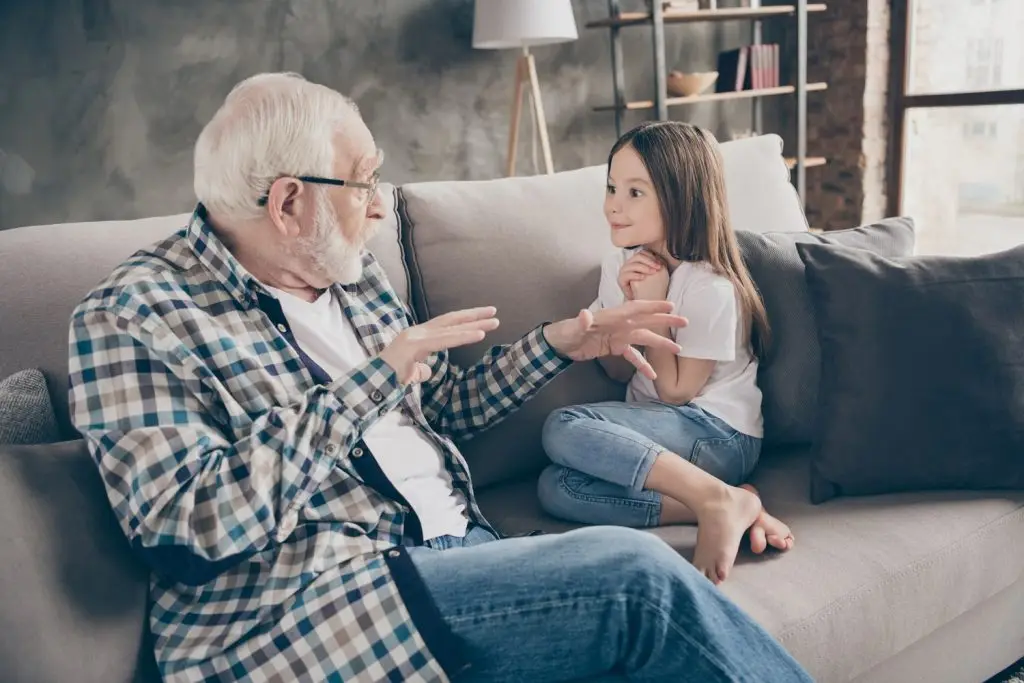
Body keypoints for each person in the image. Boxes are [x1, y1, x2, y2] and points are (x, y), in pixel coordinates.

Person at [68, 73, 812, 683]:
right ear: (289, 202)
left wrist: (563, 342)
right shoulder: (136, 315)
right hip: (313, 609)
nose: (381, 202)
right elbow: (187, 529)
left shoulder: (347, 277)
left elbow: (443, 412)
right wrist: (372, 380)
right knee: (637, 580)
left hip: (458, 560)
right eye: (362, 182)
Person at [538, 121, 795, 586]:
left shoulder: (709, 285)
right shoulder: (618, 266)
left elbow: (676, 392)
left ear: (681, 198)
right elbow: (618, 371)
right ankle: (725, 501)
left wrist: (652, 307)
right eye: (613, 187)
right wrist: (625, 310)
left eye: (636, 192)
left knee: (563, 428)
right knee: (557, 489)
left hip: (718, 433)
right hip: (660, 434)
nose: (614, 204)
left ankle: (719, 497)